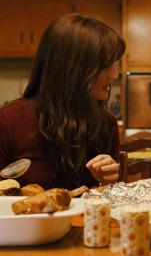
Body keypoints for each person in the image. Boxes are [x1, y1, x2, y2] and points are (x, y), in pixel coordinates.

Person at [0, 14, 126, 190]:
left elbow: (108, 205)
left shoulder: (106, 124)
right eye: (106, 65)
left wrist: (108, 182)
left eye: (116, 64)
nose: (114, 75)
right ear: (74, 69)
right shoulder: (8, 121)